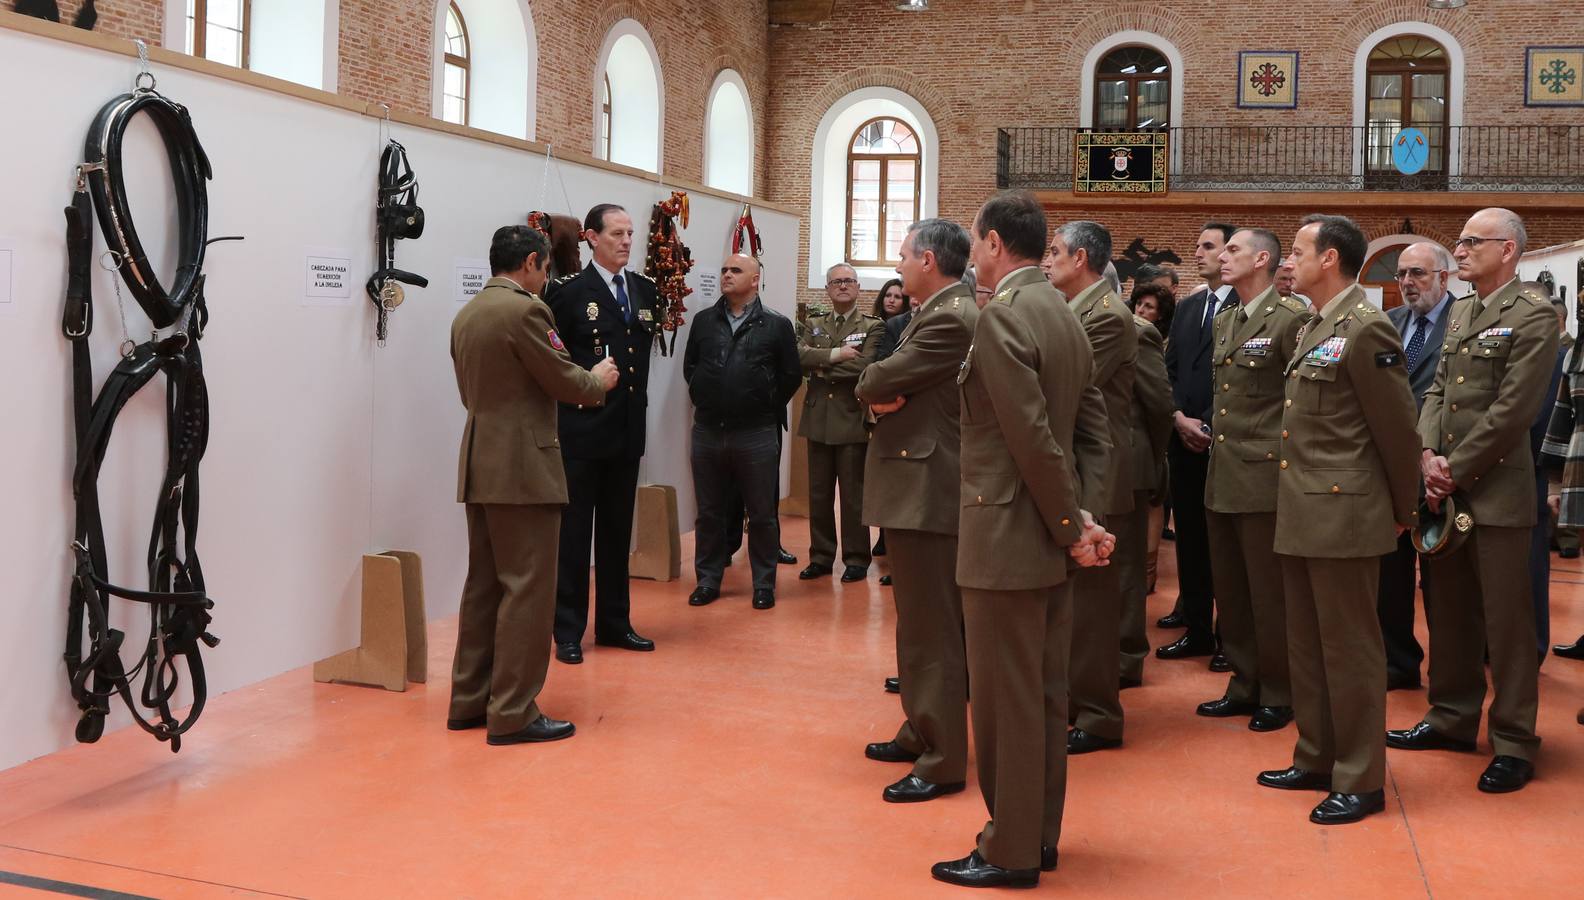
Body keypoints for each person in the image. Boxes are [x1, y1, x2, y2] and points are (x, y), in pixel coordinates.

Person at [931, 190, 1113, 889]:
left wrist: (1072, 527)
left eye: (976, 240)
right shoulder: (1064, 315)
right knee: (1041, 694)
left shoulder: (1005, 316)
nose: (972, 251)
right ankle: (1037, 835)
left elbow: (1031, 439)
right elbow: (1091, 433)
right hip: (1048, 528)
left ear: (996, 244)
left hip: (1009, 534)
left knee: (1008, 703)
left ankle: (1008, 850)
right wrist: (1085, 518)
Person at [1258, 214, 1419, 824]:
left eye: (1296, 251)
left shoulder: (1365, 327)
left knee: (1350, 648)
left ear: (1329, 259)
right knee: (1307, 645)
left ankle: (1360, 776)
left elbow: (1397, 430)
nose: (1285, 262)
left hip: (1344, 511)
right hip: (1302, 507)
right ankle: (1317, 755)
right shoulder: (1316, 325)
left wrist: (1405, 511)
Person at [1390, 209, 1557, 794]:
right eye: (1458, 241)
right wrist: (1427, 454)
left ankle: (1513, 739)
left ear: (1506, 249)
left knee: (1507, 625)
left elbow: (1515, 409)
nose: (1458, 250)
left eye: (1470, 241)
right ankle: (1452, 717)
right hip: (1447, 486)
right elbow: (1437, 389)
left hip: (1498, 493)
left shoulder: (1534, 315)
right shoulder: (1462, 312)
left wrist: (1453, 469)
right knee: (1450, 612)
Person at [446, 225, 619, 744]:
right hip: (524, 468)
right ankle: (514, 711)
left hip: (481, 461)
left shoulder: (468, 313)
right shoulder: (526, 310)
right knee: (527, 590)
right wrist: (599, 380)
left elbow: (469, 393)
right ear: (530, 264)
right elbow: (564, 378)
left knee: (484, 587)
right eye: (545, 269)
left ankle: (470, 699)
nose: (546, 279)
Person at [855, 219, 978, 804]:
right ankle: (921, 726)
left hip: (929, 486)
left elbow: (874, 376)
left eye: (903, 256)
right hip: (916, 481)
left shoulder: (951, 316)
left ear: (928, 259)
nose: (897, 267)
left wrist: (876, 393)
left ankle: (943, 756)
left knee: (934, 632)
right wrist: (879, 399)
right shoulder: (937, 311)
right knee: (918, 625)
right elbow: (881, 387)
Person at [1199, 228, 1311, 733]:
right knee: (1233, 589)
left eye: (1233, 250)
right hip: (1223, 472)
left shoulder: (1291, 319)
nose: (1222, 257)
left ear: (1262, 259)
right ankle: (1243, 681)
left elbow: (1303, 402)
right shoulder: (1226, 320)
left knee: (1268, 594)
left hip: (1265, 475)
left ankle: (1279, 690)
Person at [545, 204, 657, 665]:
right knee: (574, 536)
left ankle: (615, 622)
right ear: (591, 237)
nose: (627, 241)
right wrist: (586, 376)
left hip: (626, 430)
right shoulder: (568, 292)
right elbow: (550, 357)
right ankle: (568, 629)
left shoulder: (645, 289)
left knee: (616, 533)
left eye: (631, 233)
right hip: (582, 429)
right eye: (616, 233)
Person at [1043, 220, 1135, 754]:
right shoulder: (1072, 310)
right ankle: (1076, 703)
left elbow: (1068, 387)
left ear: (1081, 259)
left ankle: (1099, 715)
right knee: (1075, 600)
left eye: (1055, 252)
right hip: (1076, 464)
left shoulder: (1108, 316)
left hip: (1098, 471)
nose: (1047, 260)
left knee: (1095, 602)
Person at [683, 254, 802, 610]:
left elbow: (790, 375)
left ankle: (763, 583)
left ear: (755, 279)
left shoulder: (776, 324)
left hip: (756, 432)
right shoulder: (704, 321)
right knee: (709, 511)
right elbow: (691, 367)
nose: (726, 275)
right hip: (707, 429)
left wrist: (762, 404)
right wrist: (705, 394)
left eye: (735, 270)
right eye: (723, 270)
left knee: (762, 512)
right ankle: (707, 580)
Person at [1377, 242, 1456, 690]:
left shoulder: (1461, 320)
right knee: (1391, 573)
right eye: (1402, 274)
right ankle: (1397, 660)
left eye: (1418, 274)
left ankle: (1451, 672)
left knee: (1443, 584)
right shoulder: (1390, 323)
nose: (1407, 283)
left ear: (1444, 277)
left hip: (1438, 467)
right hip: (1392, 465)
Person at [1158, 223, 1239, 658]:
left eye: (1208, 246)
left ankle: (1231, 636)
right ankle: (1196, 628)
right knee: (1189, 539)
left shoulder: (1248, 307)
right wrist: (1177, 418)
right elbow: (1168, 370)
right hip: (1183, 441)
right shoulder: (1188, 308)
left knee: (1226, 547)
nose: (1199, 253)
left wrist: (1205, 424)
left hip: (1223, 444)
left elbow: (1241, 384)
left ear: (1230, 253)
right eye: (1197, 245)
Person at [795, 264, 884, 583]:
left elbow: (866, 367)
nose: (842, 286)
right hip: (818, 417)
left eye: (848, 281)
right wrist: (835, 356)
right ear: (828, 288)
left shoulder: (873, 326)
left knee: (852, 494)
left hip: (850, 418)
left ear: (858, 287)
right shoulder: (815, 322)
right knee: (817, 494)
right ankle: (820, 556)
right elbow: (799, 357)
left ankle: (857, 558)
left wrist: (820, 365)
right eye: (836, 282)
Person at [871, 277, 911, 567]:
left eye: (898, 296)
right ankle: (886, 540)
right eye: (889, 295)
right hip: (887, 411)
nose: (892, 300)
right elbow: (877, 366)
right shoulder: (888, 328)